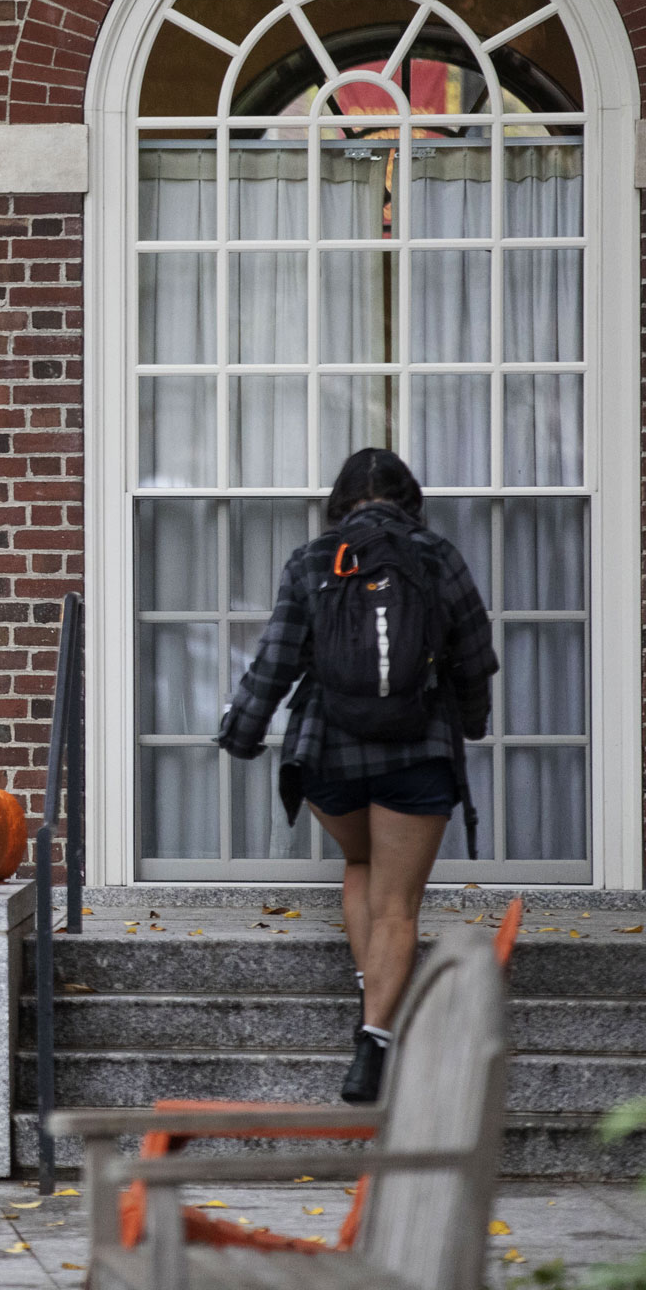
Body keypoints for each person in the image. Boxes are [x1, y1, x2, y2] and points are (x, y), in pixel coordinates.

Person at [215, 447, 498, 1103]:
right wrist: (472, 723)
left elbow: (277, 658)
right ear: (409, 498)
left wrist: (243, 729)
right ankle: (373, 1041)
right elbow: (474, 656)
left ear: (340, 501)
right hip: (416, 750)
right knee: (396, 901)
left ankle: (373, 998)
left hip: (329, 757)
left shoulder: (314, 559)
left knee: (362, 865)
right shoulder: (437, 555)